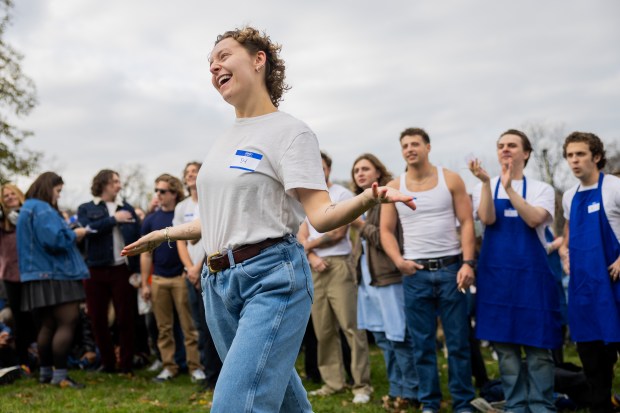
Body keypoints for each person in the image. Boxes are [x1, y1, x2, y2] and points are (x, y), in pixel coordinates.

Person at [122, 26, 414, 413]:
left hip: (271, 278)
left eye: (224, 56)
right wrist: (163, 233)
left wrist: (366, 198)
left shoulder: (290, 133)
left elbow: (322, 216)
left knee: (235, 405)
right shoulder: (224, 139)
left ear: (259, 60)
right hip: (217, 284)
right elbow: (221, 221)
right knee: (283, 401)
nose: (214, 67)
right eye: (210, 63)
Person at [381, 127, 476, 413]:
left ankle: (463, 402)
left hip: (450, 269)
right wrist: (398, 261)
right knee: (422, 344)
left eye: (415, 144)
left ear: (428, 147)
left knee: (458, 342)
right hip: (415, 273)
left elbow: (467, 222)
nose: (410, 149)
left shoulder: (451, 179)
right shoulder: (395, 185)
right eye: (405, 145)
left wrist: (468, 262)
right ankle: (430, 402)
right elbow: (386, 230)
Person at [469, 129, 562, 413]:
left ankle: (542, 404)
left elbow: (534, 219)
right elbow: (487, 218)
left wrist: (510, 188)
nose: (505, 150)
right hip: (497, 280)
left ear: (526, 153)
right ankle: (517, 404)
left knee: (538, 348)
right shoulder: (485, 186)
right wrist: (487, 184)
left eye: (512, 145)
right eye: (500, 146)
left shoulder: (541, 189)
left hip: (532, 278)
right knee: (505, 349)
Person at [298, 151, 373, 404]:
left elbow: (339, 232)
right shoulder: (304, 198)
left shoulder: (341, 195)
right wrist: (311, 256)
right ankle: (333, 382)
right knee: (323, 329)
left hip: (338, 265)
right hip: (314, 268)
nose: (318, 171)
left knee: (351, 327)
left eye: (322, 167)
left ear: (328, 168)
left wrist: (309, 246)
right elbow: (300, 234)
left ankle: (362, 384)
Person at [350, 153, 419, 407]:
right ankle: (395, 388)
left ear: (378, 172)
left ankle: (410, 391)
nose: (360, 173)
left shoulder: (387, 198)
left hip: (387, 276)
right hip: (366, 280)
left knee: (398, 335)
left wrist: (359, 225)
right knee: (381, 337)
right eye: (356, 170)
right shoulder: (360, 203)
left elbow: (384, 238)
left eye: (365, 168)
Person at [559, 131, 620, 413]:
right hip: (585, 290)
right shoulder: (570, 197)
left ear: (596, 156)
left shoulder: (614, 188)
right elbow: (571, 232)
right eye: (570, 155)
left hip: (616, 285)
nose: (574, 160)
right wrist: (564, 250)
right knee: (594, 363)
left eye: (580, 154)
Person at [16, 172, 89, 388]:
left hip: (35, 275)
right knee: (67, 322)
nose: (58, 197)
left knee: (47, 325)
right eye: (57, 191)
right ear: (48, 188)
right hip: (57, 274)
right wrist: (76, 234)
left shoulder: (27, 208)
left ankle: (46, 373)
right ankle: (61, 376)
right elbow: (54, 239)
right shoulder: (42, 209)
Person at [140, 173, 205, 383]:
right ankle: (169, 367)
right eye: (156, 190)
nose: (158, 194)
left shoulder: (179, 216)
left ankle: (195, 367)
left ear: (174, 193)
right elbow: (146, 254)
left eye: (163, 191)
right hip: (158, 279)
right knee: (164, 328)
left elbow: (188, 243)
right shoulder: (151, 219)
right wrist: (144, 283)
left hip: (180, 277)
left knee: (189, 327)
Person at [77, 169, 142, 374]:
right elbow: (88, 229)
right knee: (97, 318)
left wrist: (137, 270)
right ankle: (107, 363)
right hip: (95, 270)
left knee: (126, 318)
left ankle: (126, 364)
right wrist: (114, 219)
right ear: (103, 184)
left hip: (122, 269)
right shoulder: (86, 208)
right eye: (115, 181)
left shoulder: (128, 209)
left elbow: (138, 240)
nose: (119, 185)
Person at [173, 161, 222, 389]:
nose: (191, 175)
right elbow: (180, 240)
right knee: (198, 326)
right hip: (190, 272)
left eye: (195, 171)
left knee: (214, 324)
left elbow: (213, 236)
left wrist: (199, 266)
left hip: (210, 268)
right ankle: (208, 374)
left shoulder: (212, 200)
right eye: (188, 172)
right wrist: (189, 268)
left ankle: (220, 376)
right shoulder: (182, 207)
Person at [0, 183, 35, 369]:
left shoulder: (29, 215)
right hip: (11, 276)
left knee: (35, 316)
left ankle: (37, 355)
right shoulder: (2, 222)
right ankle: (23, 361)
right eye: (5, 196)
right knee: (19, 318)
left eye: (12, 193)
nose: (10, 197)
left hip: (32, 273)